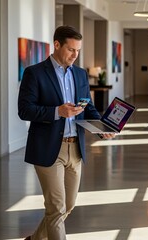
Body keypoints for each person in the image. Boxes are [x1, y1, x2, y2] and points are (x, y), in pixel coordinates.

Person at [18, 25, 114, 240]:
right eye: (71, 49)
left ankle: (34, 239)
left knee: (67, 206)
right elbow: (24, 110)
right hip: (48, 148)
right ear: (57, 45)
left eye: (78, 50)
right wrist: (57, 111)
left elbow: (87, 107)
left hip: (76, 149)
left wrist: (101, 128)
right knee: (56, 208)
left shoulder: (80, 74)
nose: (75, 55)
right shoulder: (34, 73)